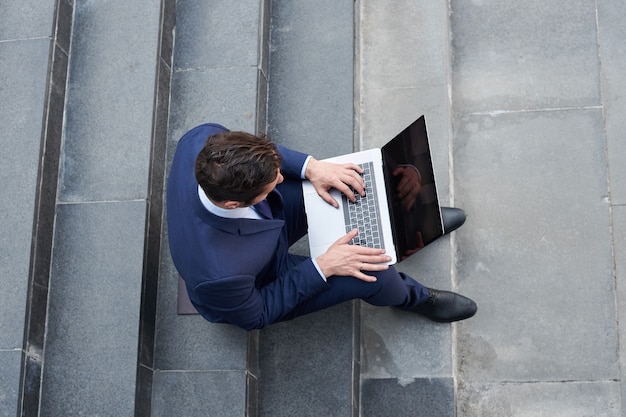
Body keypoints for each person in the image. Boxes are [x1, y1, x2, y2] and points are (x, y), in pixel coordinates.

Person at [166, 123, 477, 331]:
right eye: (271, 181)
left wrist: (311, 167)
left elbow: (265, 154)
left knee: (343, 182)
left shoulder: (202, 139)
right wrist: (323, 266)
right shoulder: (221, 276)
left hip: (263, 222)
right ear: (234, 204)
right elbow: (257, 313)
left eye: (276, 171)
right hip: (260, 277)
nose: (280, 178)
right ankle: (415, 298)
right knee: (372, 273)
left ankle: (410, 224)